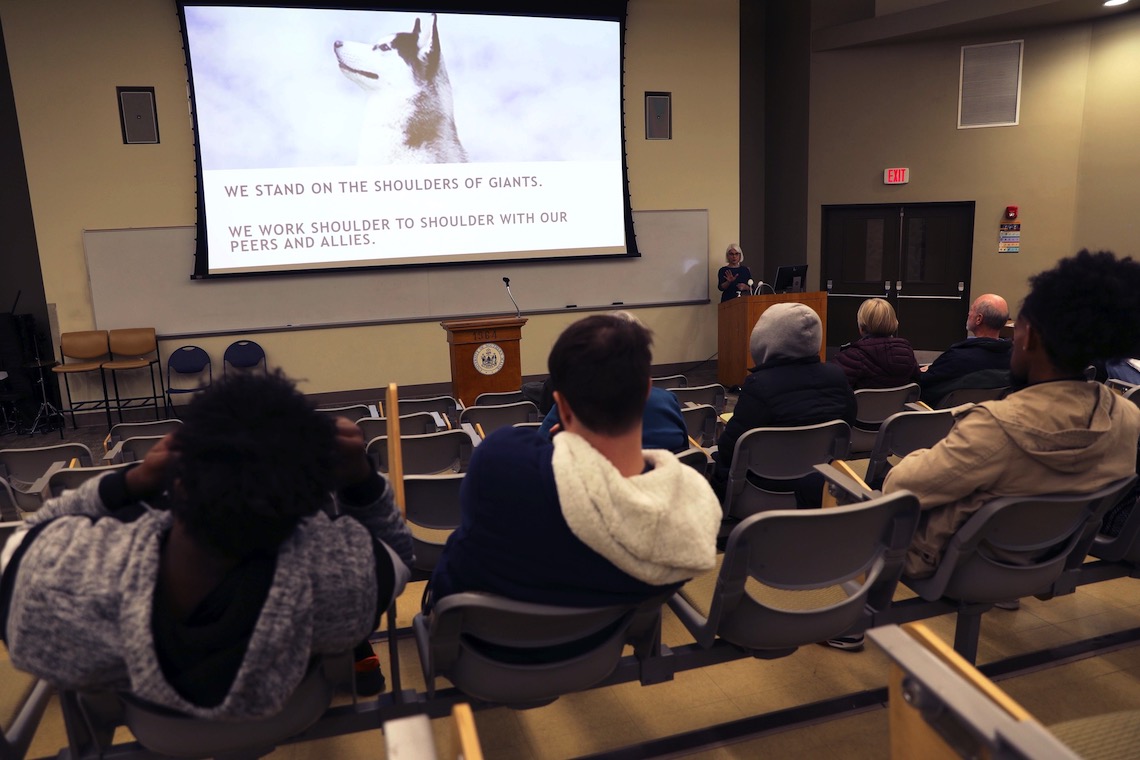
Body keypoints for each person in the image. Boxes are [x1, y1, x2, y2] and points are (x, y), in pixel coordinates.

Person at [0, 371, 412, 719]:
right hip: (288, 715)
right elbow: (397, 553)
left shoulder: (54, 581)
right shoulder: (346, 574)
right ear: (313, 502)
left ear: (175, 477)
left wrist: (128, 482)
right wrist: (361, 478)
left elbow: (19, 541)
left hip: (151, 729)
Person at [428, 314, 721, 609]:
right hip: (602, 649)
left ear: (562, 406)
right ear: (647, 389)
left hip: (486, 648)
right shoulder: (686, 517)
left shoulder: (501, 459)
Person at [884, 250, 1140, 579]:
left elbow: (901, 488)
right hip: (1053, 557)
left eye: (1014, 328)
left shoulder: (995, 426)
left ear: (1028, 336)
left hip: (961, 566)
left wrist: (920, 455)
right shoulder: (1127, 417)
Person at [712, 302, 856, 506]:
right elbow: (847, 424)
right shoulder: (837, 376)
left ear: (764, 338)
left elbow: (731, 447)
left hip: (760, 492)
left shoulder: (760, 386)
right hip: (821, 486)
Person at [537, 312, 689, 453]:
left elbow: (539, 452)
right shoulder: (667, 401)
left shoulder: (571, 407)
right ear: (647, 387)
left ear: (562, 404)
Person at [918, 293, 1012, 406]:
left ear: (979, 319)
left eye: (972, 309)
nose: (968, 313)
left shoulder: (957, 357)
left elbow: (923, 384)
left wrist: (932, 369)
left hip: (946, 419)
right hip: (988, 416)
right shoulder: (1014, 357)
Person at [832, 298, 920, 389]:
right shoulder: (906, 352)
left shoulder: (850, 357)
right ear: (894, 323)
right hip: (898, 403)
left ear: (861, 327)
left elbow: (836, 391)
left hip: (863, 403)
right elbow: (915, 384)